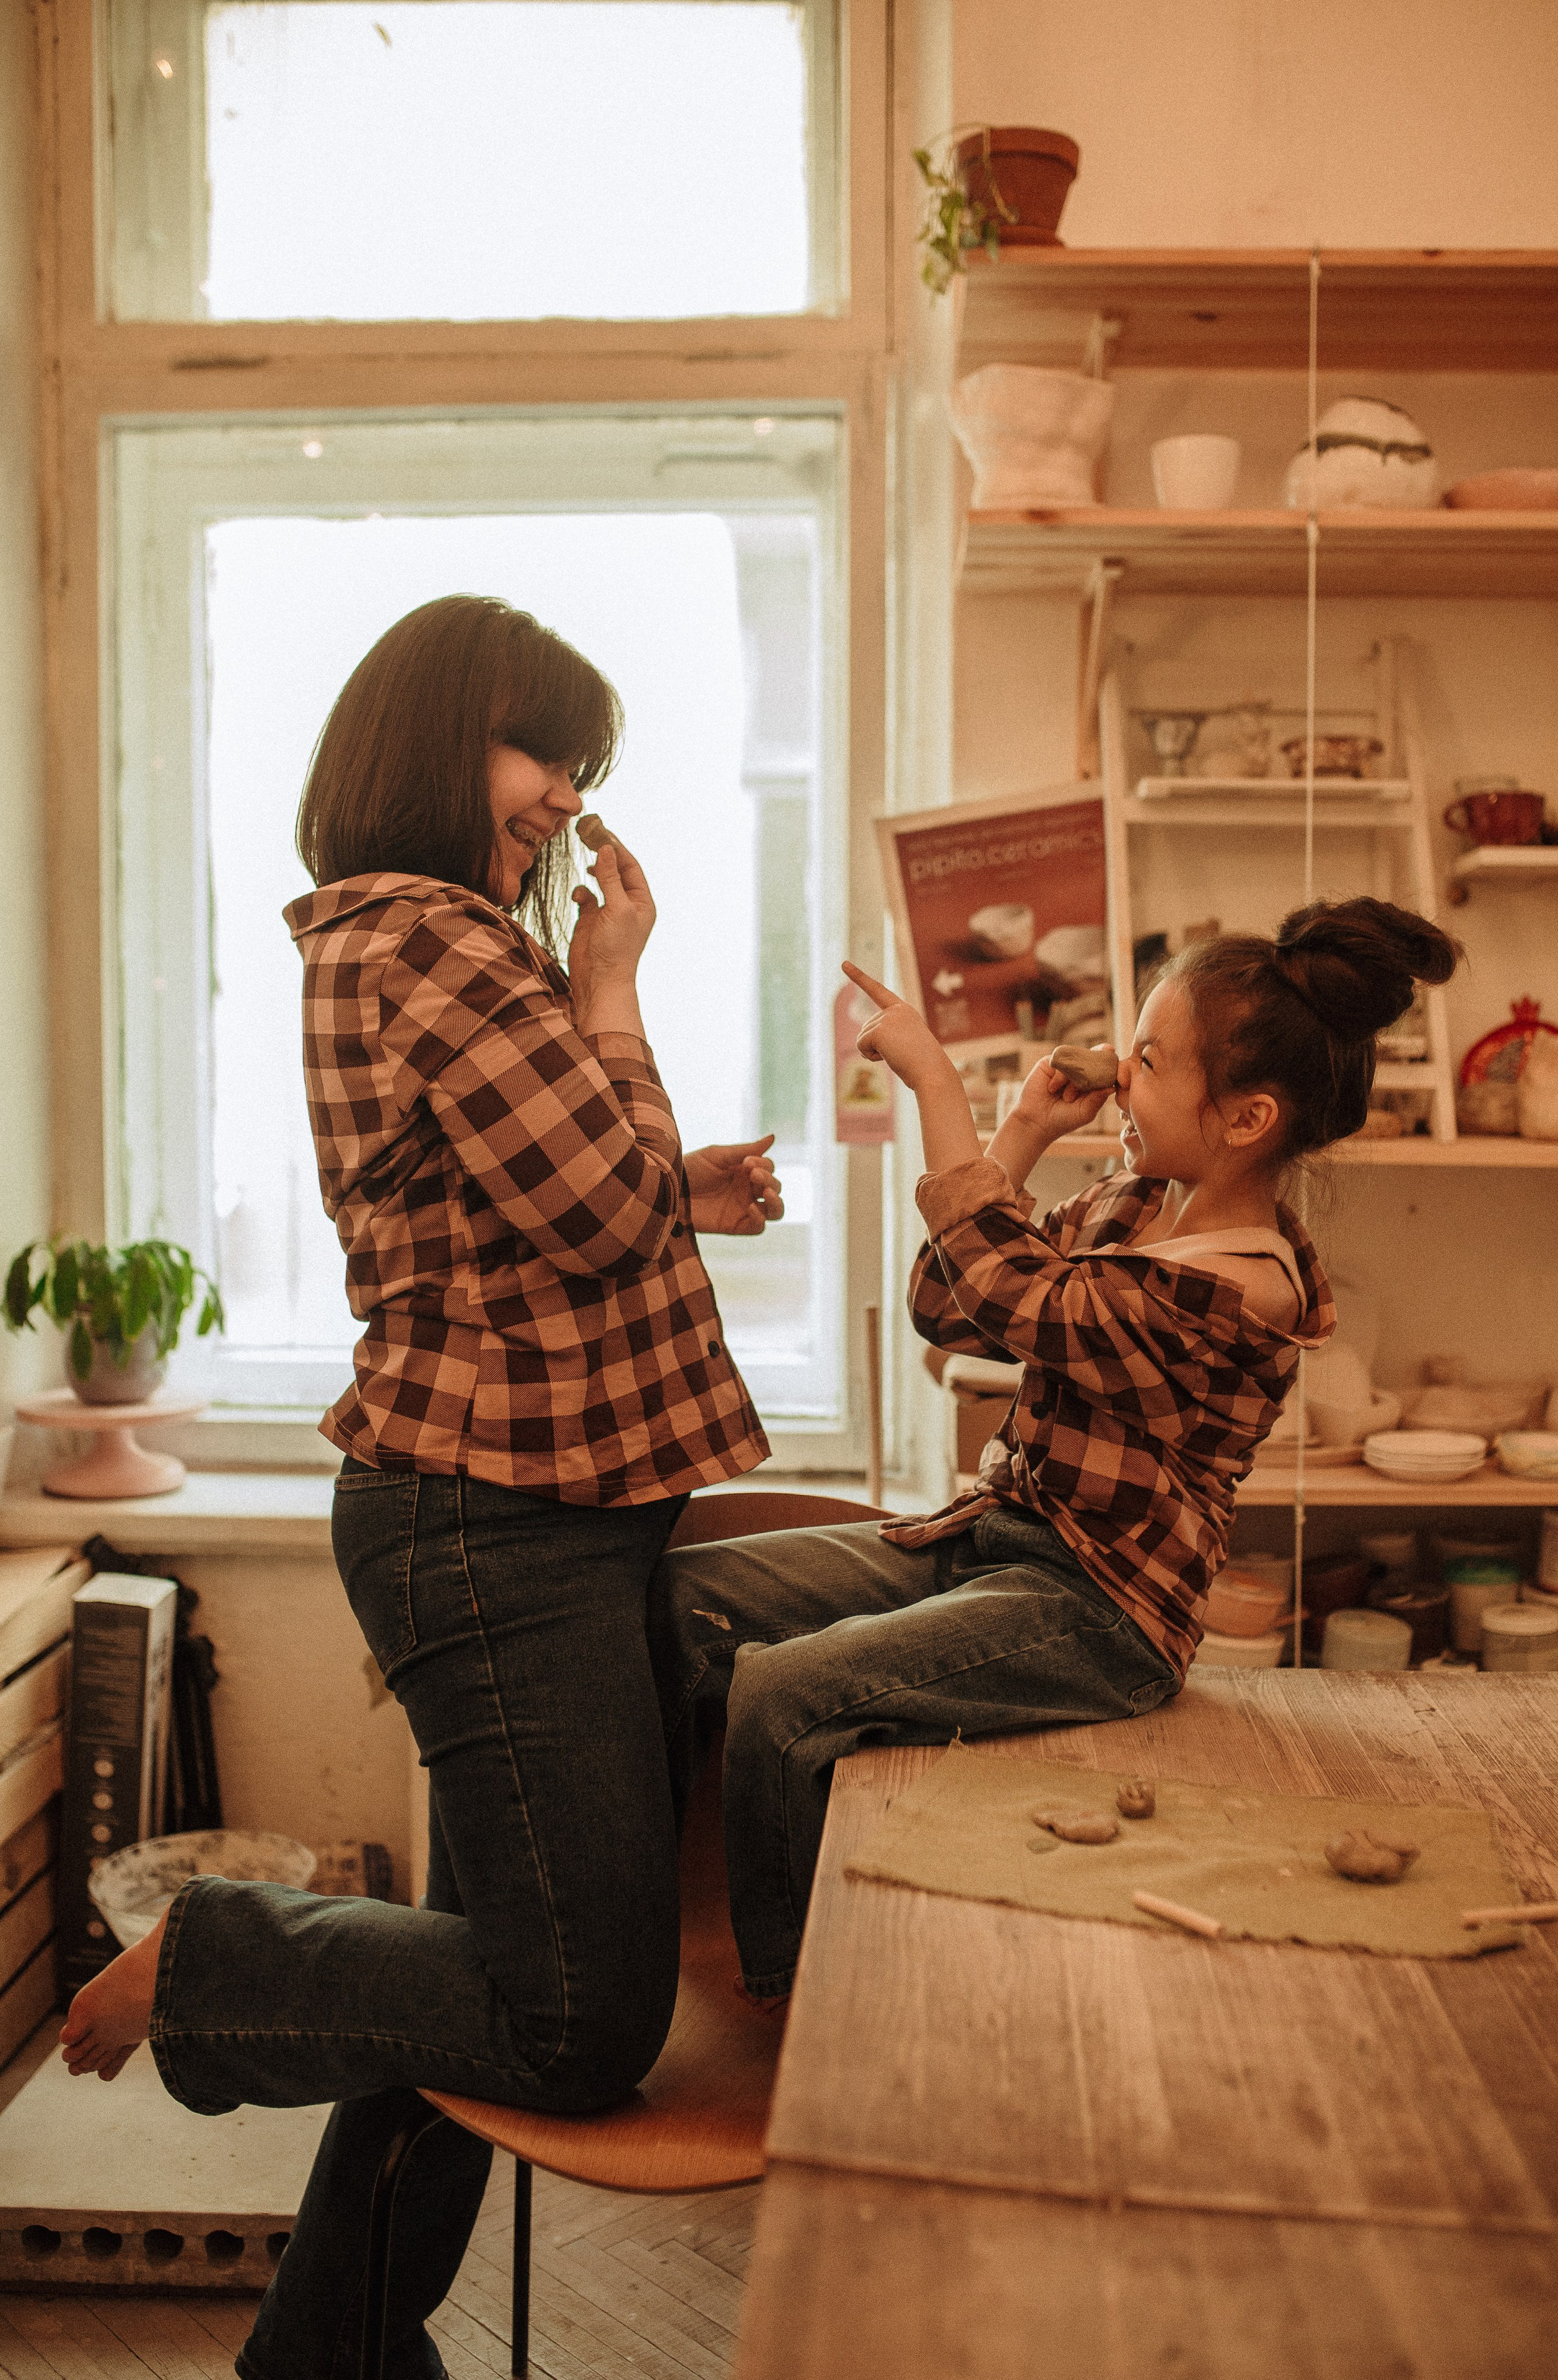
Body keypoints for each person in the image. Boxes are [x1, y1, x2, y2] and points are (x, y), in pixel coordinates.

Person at [58, 594, 781, 2379]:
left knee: (476, 1985)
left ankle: (327, 2354)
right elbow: (597, 1215)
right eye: (540, 749)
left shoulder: (428, 946)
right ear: (439, 733)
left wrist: (668, 1173)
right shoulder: (439, 944)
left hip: (530, 1509)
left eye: (579, 764)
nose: (559, 796)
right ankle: (221, 1957)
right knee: (571, 2014)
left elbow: (523, 1211)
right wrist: (619, 995)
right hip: (498, 1524)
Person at [650, 897, 1461, 2001]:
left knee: (782, 1696)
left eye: (1151, 1059)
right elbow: (949, 1300)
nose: (1123, 1076)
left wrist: (942, 1087)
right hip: (1004, 1541)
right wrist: (1020, 1130)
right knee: (676, 1598)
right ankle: (626, 1917)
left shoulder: (1240, 1284)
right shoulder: (1138, 1203)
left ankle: (792, 2002)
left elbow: (1008, 1288)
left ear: (1244, 1116)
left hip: (1103, 1612)